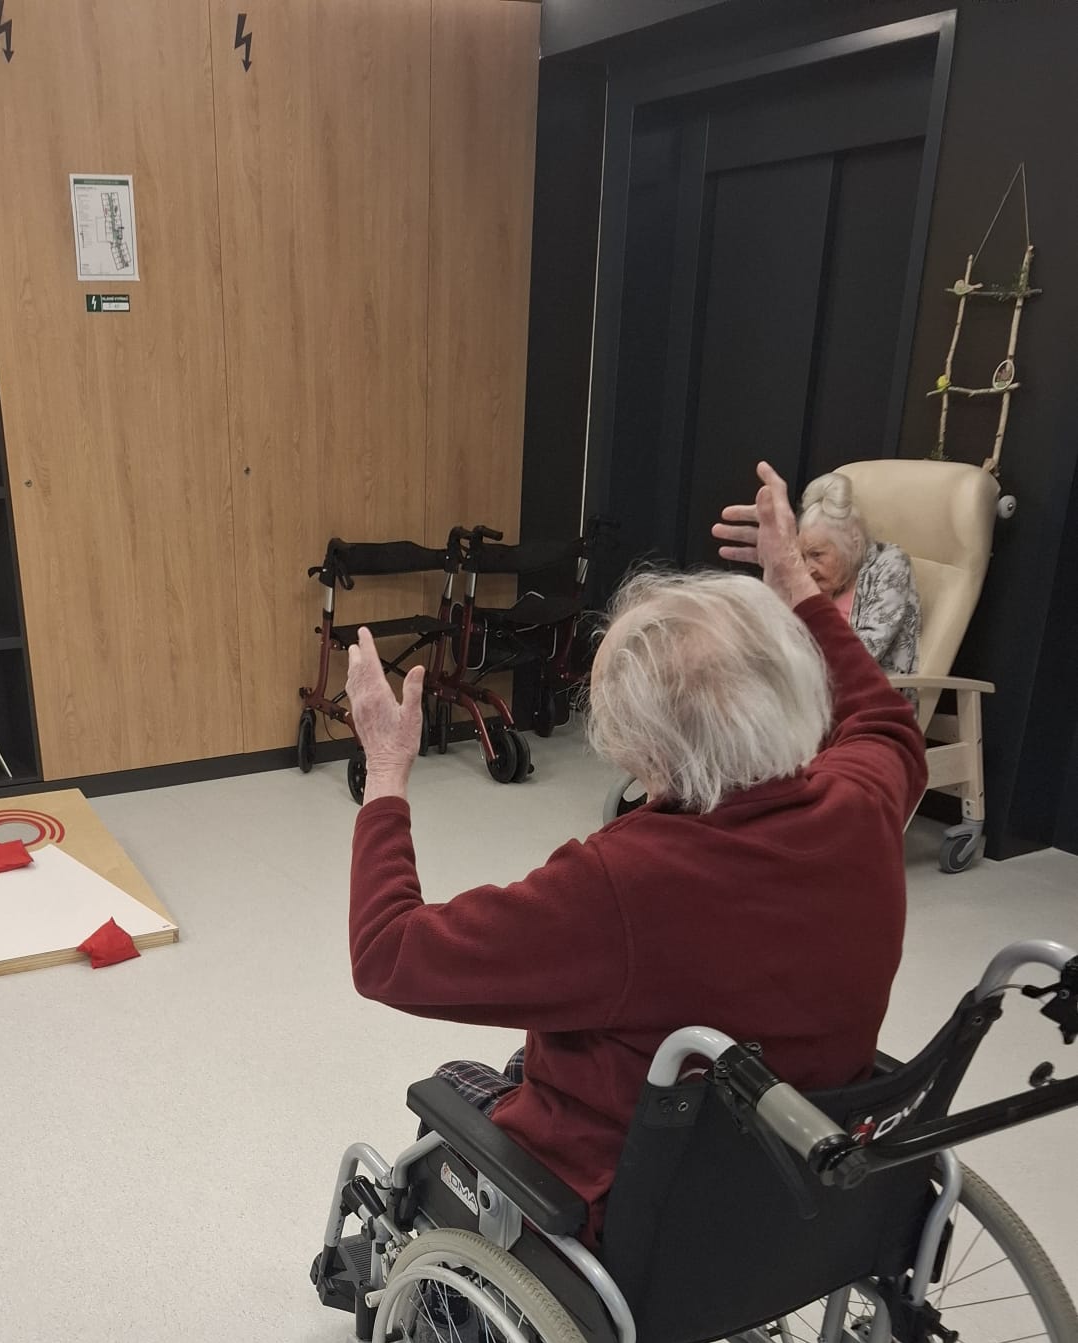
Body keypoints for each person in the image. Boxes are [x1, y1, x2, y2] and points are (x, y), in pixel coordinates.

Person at [343, 462, 927, 1236]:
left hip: (633, 1210)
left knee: (459, 1086)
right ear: (791, 690)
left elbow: (387, 952)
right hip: (796, 1193)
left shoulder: (622, 883)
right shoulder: (862, 806)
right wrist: (793, 580)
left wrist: (386, 772)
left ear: (638, 747)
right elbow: (886, 722)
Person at [798, 470, 920, 674]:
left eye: (817, 555)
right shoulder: (827, 579)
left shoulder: (890, 565)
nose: (808, 569)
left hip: (867, 686)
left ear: (852, 545)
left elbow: (868, 651)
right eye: (803, 557)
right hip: (812, 678)